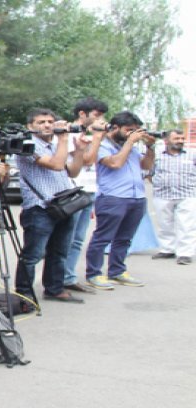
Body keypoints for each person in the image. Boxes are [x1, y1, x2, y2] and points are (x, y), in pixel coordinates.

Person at [15, 108, 87, 304]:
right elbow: (55, 165)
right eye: (41, 122)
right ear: (30, 126)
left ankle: (54, 288)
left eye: (49, 122)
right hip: (40, 207)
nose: (47, 125)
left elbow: (72, 172)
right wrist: (63, 139)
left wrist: (79, 150)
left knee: (59, 251)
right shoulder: (27, 145)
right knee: (32, 255)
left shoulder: (55, 145)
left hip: (64, 205)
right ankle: (24, 293)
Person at [84, 111, 155, 290]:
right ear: (115, 128)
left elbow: (146, 166)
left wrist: (150, 148)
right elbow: (115, 163)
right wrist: (130, 143)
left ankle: (117, 271)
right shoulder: (103, 145)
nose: (132, 134)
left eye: (135, 131)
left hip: (136, 197)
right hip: (112, 197)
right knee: (102, 237)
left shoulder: (130, 146)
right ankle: (94, 273)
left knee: (124, 239)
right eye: (129, 130)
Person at [63, 97, 108, 293]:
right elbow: (87, 161)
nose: (100, 120)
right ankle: (61, 277)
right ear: (82, 114)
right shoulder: (71, 133)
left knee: (78, 238)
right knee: (67, 238)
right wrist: (98, 137)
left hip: (88, 190)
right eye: (97, 115)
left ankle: (68, 276)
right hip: (73, 190)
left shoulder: (88, 134)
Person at [150, 129, 195, 265]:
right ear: (166, 141)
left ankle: (185, 253)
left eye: (182, 138)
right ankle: (167, 249)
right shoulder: (157, 156)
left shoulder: (192, 155)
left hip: (187, 195)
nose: (180, 141)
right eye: (176, 139)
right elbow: (148, 172)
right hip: (163, 195)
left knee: (186, 225)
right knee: (164, 223)